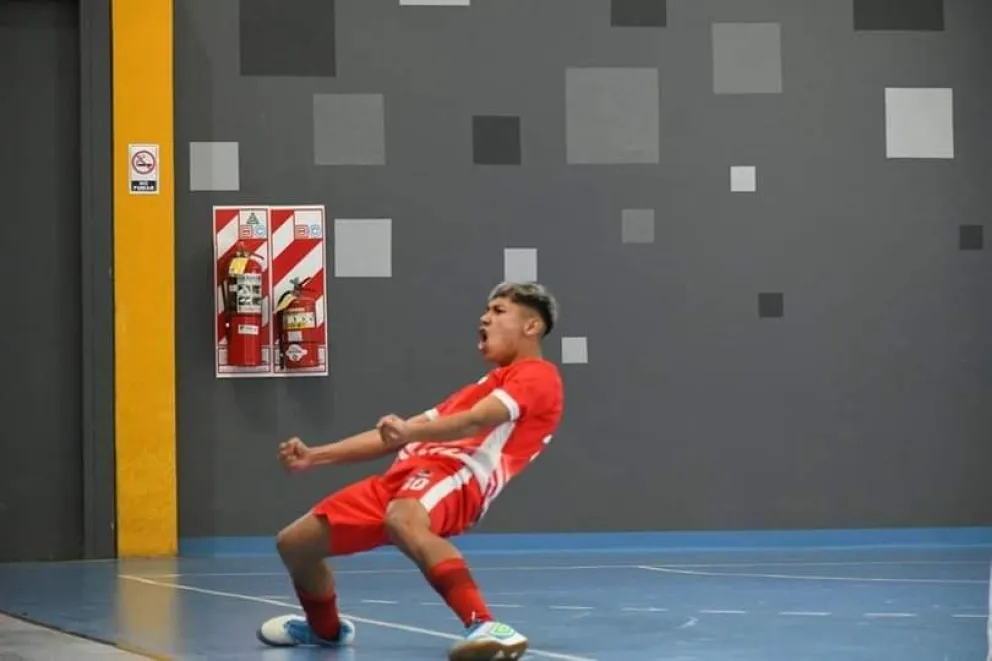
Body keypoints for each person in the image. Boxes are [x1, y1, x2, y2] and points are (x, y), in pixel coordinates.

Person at [256, 281, 564, 661]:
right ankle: (325, 630)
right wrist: (314, 456)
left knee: (403, 519)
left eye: (499, 311)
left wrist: (410, 432)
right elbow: (391, 437)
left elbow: (475, 422)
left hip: (456, 474)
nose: (485, 318)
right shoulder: (479, 387)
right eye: (487, 310)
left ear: (532, 326)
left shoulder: (537, 375)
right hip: (401, 477)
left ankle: (486, 626)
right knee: (295, 543)